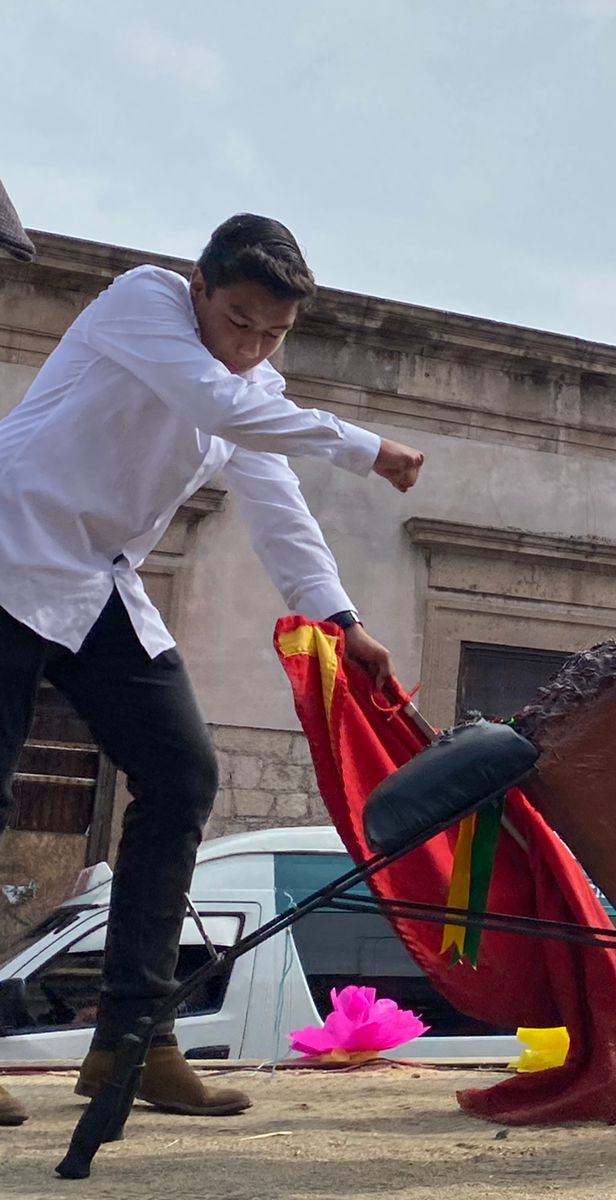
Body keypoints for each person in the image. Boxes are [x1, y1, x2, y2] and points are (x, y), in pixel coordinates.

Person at [0, 214, 425, 1127]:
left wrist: (341, 619)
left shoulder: (253, 382)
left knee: (182, 773)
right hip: (6, 547)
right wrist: (366, 446)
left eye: (274, 335)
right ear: (200, 286)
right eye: (240, 322)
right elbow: (217, 405)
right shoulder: (142, 303)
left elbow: (279, 508)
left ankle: (133, 1041)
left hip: (93, 581)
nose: (252, 349)